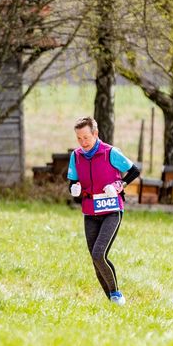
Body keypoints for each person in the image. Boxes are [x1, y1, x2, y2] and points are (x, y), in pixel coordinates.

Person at [67, 116, 141, 305]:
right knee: (95, 258)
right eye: (79, 138)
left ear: (95, 134)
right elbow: (73, 180)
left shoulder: (110, 153)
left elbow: (134, 171)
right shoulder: (76, 156)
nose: (83, 142)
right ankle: (111, 300)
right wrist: (73, 187)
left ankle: (116, 294)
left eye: (86, 137)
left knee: (99, 254)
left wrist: (119, 185)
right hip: (90, 212)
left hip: (111, 210)